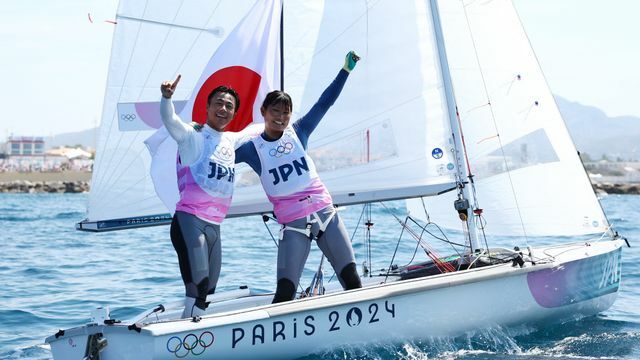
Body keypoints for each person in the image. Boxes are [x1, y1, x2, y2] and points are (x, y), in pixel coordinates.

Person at [236, 51, 363, 303]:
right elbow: (220, 155)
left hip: (326, 215)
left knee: (352, 279)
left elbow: (324, 103)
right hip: (293, 226)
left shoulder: (299, 131)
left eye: (286, 112)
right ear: (263, 111)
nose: (281, 117)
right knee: (284, 293)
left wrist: (345, 71)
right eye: (275, 111)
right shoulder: (252, 148)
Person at [160, 75, 254, 317]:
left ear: (234, 113)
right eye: (219, 103)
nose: (223, 109)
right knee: (198, 284)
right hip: (190, 221)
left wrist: (280, 118)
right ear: (208, 107)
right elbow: (170, 120)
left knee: (209, 290)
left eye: (229, 106)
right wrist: (166, 98)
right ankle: (185, 339)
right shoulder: (192, 136)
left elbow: (258, 130)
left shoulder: (231, 140)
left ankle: (196, 329)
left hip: (215, 227)